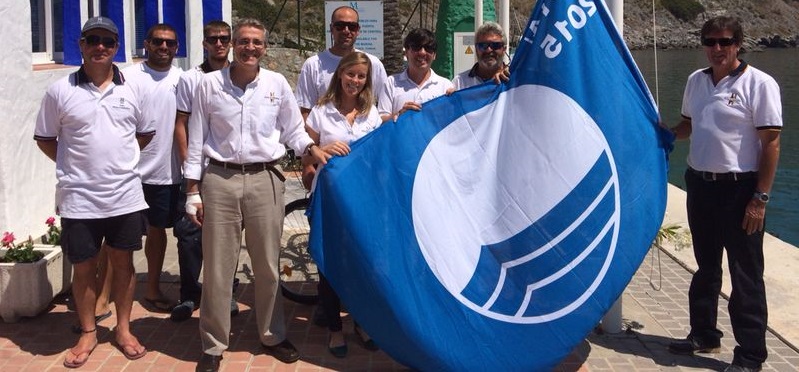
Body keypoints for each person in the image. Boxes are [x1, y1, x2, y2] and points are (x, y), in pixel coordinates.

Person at [183, 19, 330, 372]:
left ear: (264, 46)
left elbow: (293, 130)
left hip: (266, 178)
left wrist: (312, 149)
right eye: (244, 41)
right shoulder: (209, 84)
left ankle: (272, 334)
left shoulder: (276, 84)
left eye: (257, 42)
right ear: (233, 44)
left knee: (267, 264)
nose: (250, 48)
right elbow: (196, 137)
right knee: (218, 266)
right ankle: (213, 344)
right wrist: (192, 190)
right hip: (220, 179)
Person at [33, 16, 151, 368]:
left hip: (125, 196)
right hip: (79, 198)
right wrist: (77, 166)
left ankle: (124, 329)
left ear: (117, 48)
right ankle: (88, 332)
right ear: (81, 45)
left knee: (123, 264)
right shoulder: (60, 91)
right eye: (93, 40)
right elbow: (45, 139)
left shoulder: (133, 89)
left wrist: (117, 162)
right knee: (83, 268)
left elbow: (144, 134)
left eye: (108, 41)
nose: (101, 47)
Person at [667, 16, 782, 372]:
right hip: (700, 185)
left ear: (738, 44)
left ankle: (750, 356)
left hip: (740, 190)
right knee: (706, 266)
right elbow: (688, 125)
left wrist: (760, 198)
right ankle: (704, 334)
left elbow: (771, 143)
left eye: (725, 41)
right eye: (710, 41)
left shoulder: (759, 84)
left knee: (745, 274)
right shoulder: (695, 81)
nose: (717, 48)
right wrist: (661, 134)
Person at [305, 52, 382, 358]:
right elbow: (304, 152)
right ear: (340, 74)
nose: (355, 81)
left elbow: (378, 151)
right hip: (330, 200)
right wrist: (322, 148)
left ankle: (361, 323)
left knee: (362, 264)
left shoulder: (370, 113)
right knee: (330, 265)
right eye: (351, 74)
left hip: (362, 201)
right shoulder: (320, 112)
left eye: (361, 76)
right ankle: (335, 329)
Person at [170, 20, 240, 322]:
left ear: (231, 42)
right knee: (189, 234)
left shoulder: (239, 75)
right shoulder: (191, 78)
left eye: (224, 38)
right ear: (205, 43)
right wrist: (190, 169)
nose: (219, 43)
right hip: (198, 170)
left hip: (228, 170)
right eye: (213, 39)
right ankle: (189, 294)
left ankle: (226, 293)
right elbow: (181, 124)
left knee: (228, 235)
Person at [122, 23, 183, 312]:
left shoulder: (184, 79)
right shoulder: (127, 76)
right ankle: (105, 294)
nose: (163, 47)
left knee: (158, 232)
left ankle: (153, 289)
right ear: (146, 44)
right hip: (129, 172)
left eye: (170, 43)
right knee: (117, 238)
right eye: (157, 41)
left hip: (167, 171)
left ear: (177, 48)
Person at [378, 28, 453, 122]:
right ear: (406, 52)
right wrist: (400, 115)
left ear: (434, 55)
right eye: (416, 47)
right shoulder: (391, 83)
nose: (422, 52)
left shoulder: (445, 86)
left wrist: (456, 101)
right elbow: (380, 120)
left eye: (428, 48)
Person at [451, 21, 510, 91]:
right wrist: (452, 96)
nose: (488, 50)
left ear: (504, 49)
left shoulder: (514, 80)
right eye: (483, 46)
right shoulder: (459, 83)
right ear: (476, 49)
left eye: (495, 45)